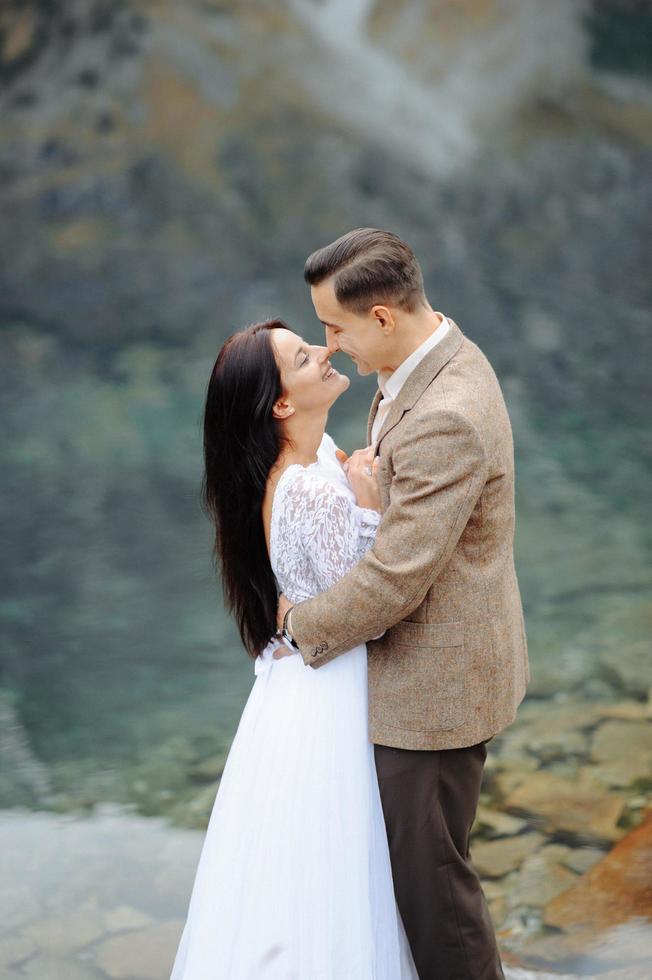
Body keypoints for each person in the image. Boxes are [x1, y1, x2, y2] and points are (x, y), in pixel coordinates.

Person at [276, 227, 530, 980]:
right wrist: (371, 489)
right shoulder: (432, 353)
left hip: (435, 691)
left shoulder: (446, 410)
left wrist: (296, 626)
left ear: (382, 317)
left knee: (435, 895)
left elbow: (395, 579)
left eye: (335, 327)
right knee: (421, 877)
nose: (329, 346)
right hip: (441, 659)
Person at [169, 318, 419, 979]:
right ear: (282, 404)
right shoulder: (305, 486)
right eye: (306, 357)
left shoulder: (305, 462)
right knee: (339, 859)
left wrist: (352, 479)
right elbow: (361, 607)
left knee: (303, 863)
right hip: (331, 692)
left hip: (301, 689)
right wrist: (368, 504)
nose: (327, 350)